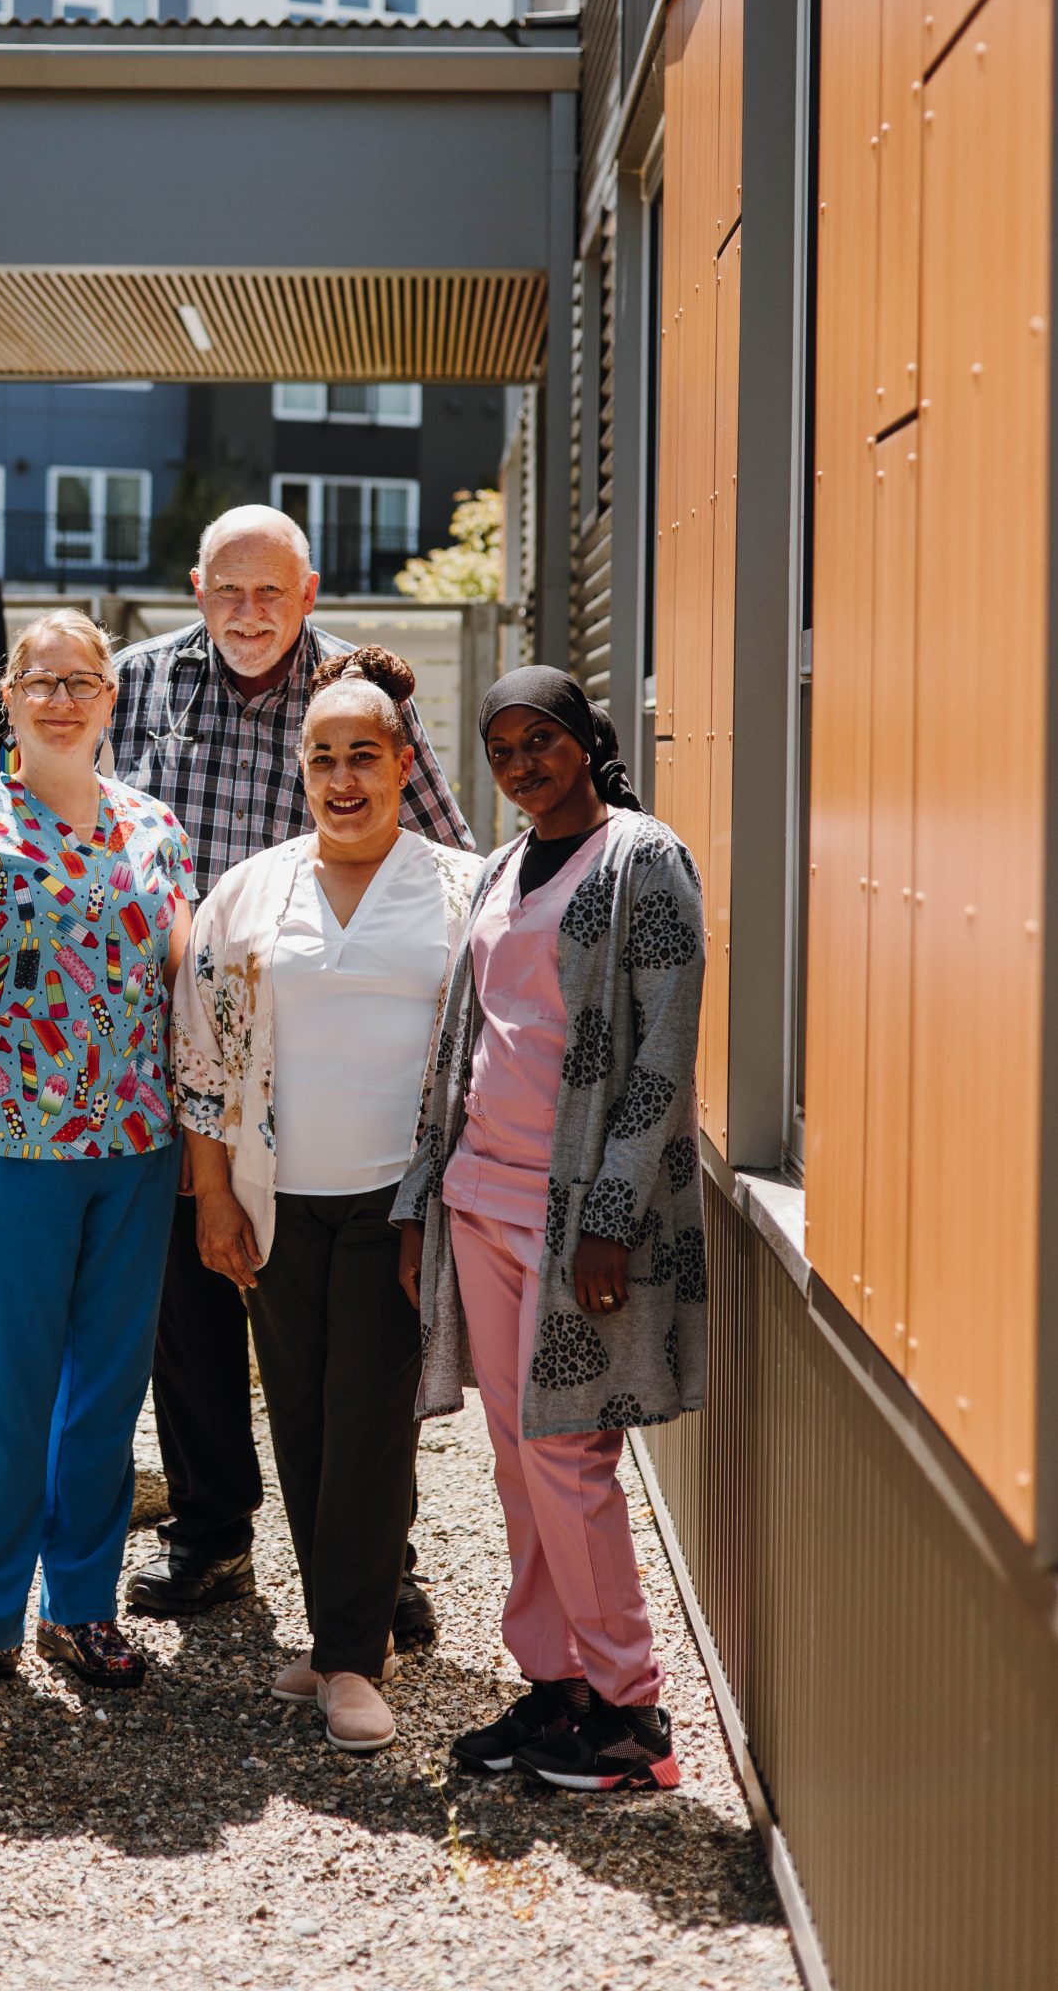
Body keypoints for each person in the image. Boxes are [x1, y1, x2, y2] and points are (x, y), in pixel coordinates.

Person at [109, 503, 472, 1637]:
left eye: (272, 592)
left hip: (328, 1058)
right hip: (183, 1056)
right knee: (196, 1306)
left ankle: (375, 1558)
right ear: (195, 587)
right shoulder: (136, 688)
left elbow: (451, 865)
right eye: (228, 590)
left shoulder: (357, 702)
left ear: (308, 592)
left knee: (358, 1351)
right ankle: (214, 1533)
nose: (249, 613)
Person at [394, 667, 707, 1792]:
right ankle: (555, 1684)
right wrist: (423, 1204)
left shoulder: (644, 858)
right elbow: (464, 1041)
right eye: (503, 748)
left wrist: (612, 1214)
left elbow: (665, 1053)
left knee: (570, 1455)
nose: (524, 763)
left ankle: (633, 1716)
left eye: (543, 740)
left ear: (586, 740)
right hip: (480, 1196)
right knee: (519, 1460)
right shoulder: (496, 864)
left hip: (578, 1218)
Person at [174, 649, 481, 1752]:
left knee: (369, 1425)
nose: (342, 779)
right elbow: (200, 1057)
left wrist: (447, 1210)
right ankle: (337, 1630)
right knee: (299, 1421)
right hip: (275, 1199)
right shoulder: (251, 888)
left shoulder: (461, 886)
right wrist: (214, 1197)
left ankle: (352, 1658)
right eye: (322, 759)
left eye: (364, 756)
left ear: (404, 764)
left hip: (401, 1209)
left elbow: (488, 1057)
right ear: (299, 771)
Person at [0, 608, 194, 1702]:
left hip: (135, 1148)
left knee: (106, 1396)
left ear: (113, 697)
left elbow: (183, 987)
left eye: (83, 679)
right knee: (5, 1395)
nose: (62, 697)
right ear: (6, 696)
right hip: (6, 1152)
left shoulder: (154, 827)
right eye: (40, 679)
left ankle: (82, 1608)